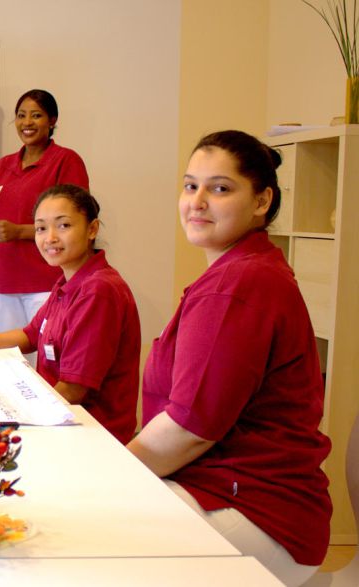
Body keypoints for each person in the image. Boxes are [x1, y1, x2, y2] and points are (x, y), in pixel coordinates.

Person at [127, 130, 331, 586]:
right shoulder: (242, 270)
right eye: (189, 185)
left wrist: (112, 476)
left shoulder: (237, 286)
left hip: (258, 510)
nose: (197, 201)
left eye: (219, 188)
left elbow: (188, 430)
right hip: (222, 486)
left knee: (92, 544)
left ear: (261, 201)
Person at [0, 184, 140, 444]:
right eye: (40, 228)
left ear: (92, 229)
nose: (49, 237)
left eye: (63, 226)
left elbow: (73, 388)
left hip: (90, 432)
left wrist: (17, 420)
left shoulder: (98, 291)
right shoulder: (67, 282)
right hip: (57, 413)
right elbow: (30, 335)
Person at [0, 89, 89, 335]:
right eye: (21, 115)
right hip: (5, 282)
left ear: (52, 121)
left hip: (46, 282)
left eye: (36, 115)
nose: (27, 123)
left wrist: (19, 231)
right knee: (15, 362)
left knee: (45, 361)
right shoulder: (4, 166)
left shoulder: (66, 161)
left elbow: (74, 225)